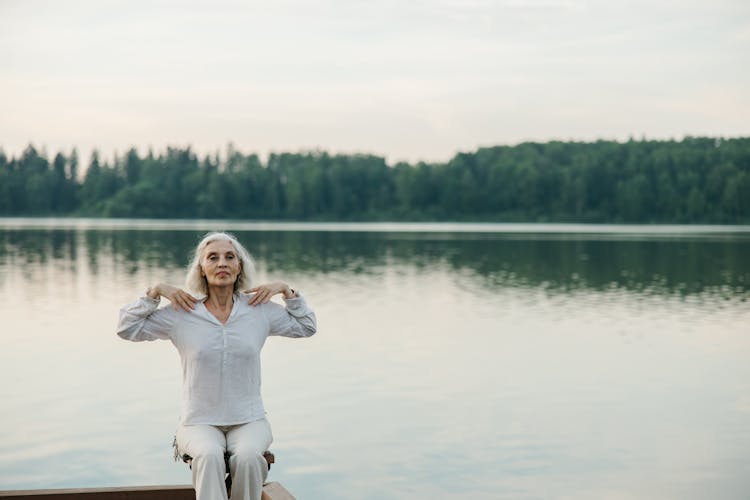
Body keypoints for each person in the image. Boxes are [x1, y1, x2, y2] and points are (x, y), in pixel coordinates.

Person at [116, 232, 316, 500]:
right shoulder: (182, 312)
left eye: (229, 257)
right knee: (209, 456)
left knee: (247, 458)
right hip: (198, 421)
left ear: (239, 266)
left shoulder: (259, 310)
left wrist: (286, 290)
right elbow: (126, 328)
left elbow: (306, 326)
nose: (222, 263)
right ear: (201, 269)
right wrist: (156, 291)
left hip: (249, 419)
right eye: (213, 258)